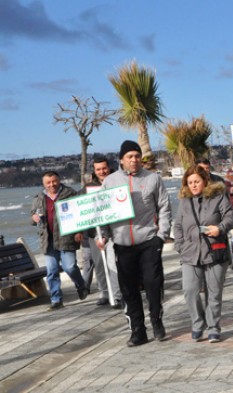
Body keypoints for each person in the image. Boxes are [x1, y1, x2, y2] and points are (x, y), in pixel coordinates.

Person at [97, 140, 172, 347]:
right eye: (129, 156)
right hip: (122, 244)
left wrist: (161, 235)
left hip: (149, 240)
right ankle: (138, 330)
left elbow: (164, 207)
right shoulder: (110, 182)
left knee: (153, 284)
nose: (134, 160)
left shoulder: (153, 179)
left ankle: (157, 321)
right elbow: (102, 213)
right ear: (121, 160)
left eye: (137, 156)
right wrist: (102, 235)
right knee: (128, 289)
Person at [174, 166, 233, 342]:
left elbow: (230, 217)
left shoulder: (218, 198)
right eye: (190, 182)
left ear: (205, 181)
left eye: (196, 181)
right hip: (190, 253)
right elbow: (177, 226)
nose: (193, 185)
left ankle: (213, 327)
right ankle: (197, 323)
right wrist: (180, 246)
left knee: (214, 292)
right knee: (190, 290)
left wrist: (220, 228)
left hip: (215, 251)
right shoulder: (185, 202)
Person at [31, 171, 89, 310]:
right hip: (47, 240)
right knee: (52, 271)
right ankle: (56, 299)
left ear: (59, 180)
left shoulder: (70, 194)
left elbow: (80, 214)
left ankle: (81, 286)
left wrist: (79, 231)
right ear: (44, 184)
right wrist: (34, 218)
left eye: (54, 181)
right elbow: (32, 215)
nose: (52, 185)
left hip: (66, 238)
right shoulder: (39, 197)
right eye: (48, 183)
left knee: (70, 267)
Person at [79, 155, 122, 309]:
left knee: (114, 263)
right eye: (98, 169)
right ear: (94, 171)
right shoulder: (88, 188)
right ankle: (104, 292)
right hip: (94, 233)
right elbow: (79, 208)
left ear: (109, 167)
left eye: (104, 168)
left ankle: (117, 295)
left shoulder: (118, 182)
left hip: (116, 230)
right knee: (99, 264)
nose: (102, 171)